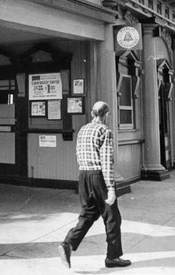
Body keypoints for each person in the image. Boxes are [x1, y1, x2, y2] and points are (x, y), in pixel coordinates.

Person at [58, 101, 131, 269]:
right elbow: (106, 162)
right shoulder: (105, 131)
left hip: (83, 175)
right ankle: (113, 257)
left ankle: (67, 243)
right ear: (106, 115)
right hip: (98, 176)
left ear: (92, 114)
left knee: (88, 213)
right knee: (112, 217)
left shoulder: (83, 130)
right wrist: (111, 188)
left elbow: (78, 154)